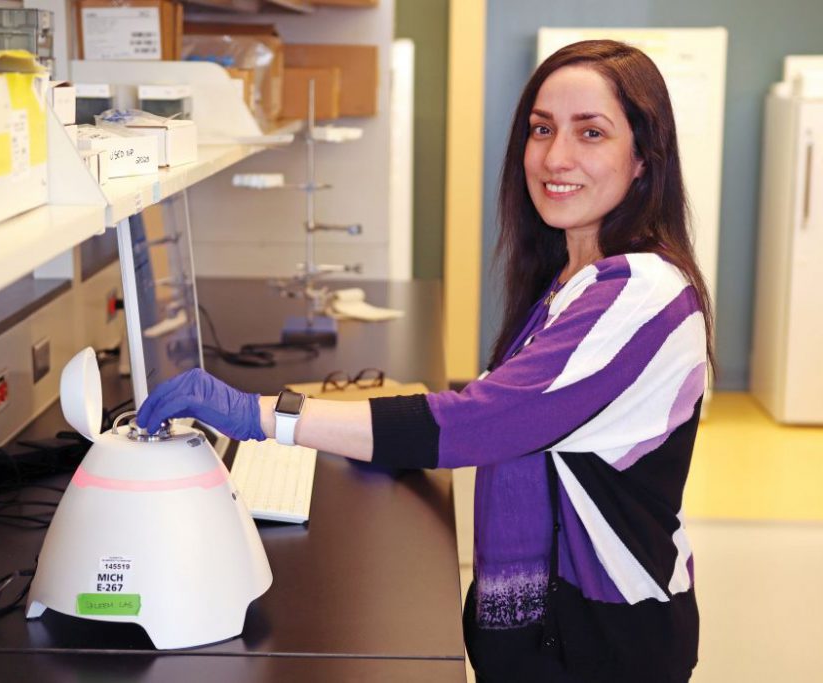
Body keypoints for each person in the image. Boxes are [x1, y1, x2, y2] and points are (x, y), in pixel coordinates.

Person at [138, 39, 712, 683]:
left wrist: (264, 414)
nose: (556, 156)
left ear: (643, 159)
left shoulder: (641, 292)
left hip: (600, 640)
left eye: (591, 133)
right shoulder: (576, 273)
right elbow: (522, 407)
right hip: (564, 626)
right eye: (542, 129)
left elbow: (485, 422)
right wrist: (381, 424)